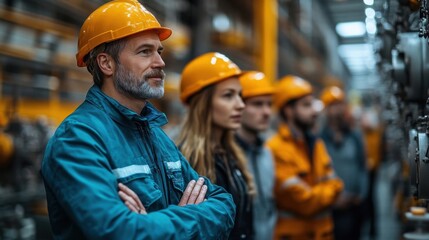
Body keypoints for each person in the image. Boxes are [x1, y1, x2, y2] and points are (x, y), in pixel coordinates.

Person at [40, 1, 235, 239]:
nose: (160, 62)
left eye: (159, 51)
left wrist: (151, 223)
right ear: (106, 63)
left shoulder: (156, 134)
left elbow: (224, 203)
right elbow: (121, 232)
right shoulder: (77, 139)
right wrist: (189, 219)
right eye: (145, 51)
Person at [177, 52, 255, 239]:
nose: (241, 105)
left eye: (240, 95)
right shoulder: (186, 159)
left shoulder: (232, 153)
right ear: (203, 104)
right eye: (228, 96)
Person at [266, 75, 343, 240]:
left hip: (323, 233)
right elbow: (305, 203)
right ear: (288, 110)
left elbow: (337, 184)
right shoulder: (275, 148)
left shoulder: (316, 143)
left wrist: (322, 192)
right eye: (306, 105)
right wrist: (329, 192)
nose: (314, 111)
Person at [319, 86, 369, 240]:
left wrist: (361, 195)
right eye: (332, 106)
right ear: (326, 110)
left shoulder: (355, 136)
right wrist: (331, 199)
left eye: (339, 105)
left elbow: (362, 166)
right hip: (328, 206)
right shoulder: (319, 139)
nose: (336, 111)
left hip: (353, 205)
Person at [235, 71, 277, 240]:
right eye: (258, 104)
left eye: (269, 104)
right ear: (238, 105)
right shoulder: (226, 157)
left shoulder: (267, 153)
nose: (267, 112)